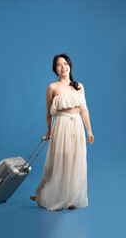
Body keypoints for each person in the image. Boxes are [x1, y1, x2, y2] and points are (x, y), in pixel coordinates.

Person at [30, 53, 94, 211]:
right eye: (59, 65)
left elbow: (84, 110)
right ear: (55, 69)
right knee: (59, 161)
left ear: (70, 66)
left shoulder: (79, 86)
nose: (63, 67)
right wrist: (49, 131)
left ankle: (71, 199)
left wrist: (89, 131)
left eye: (65, 64)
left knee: (76, 160)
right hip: (61, 125)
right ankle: (46, 195)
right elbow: (48, 113)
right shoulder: (52, 87)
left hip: (77, 125)